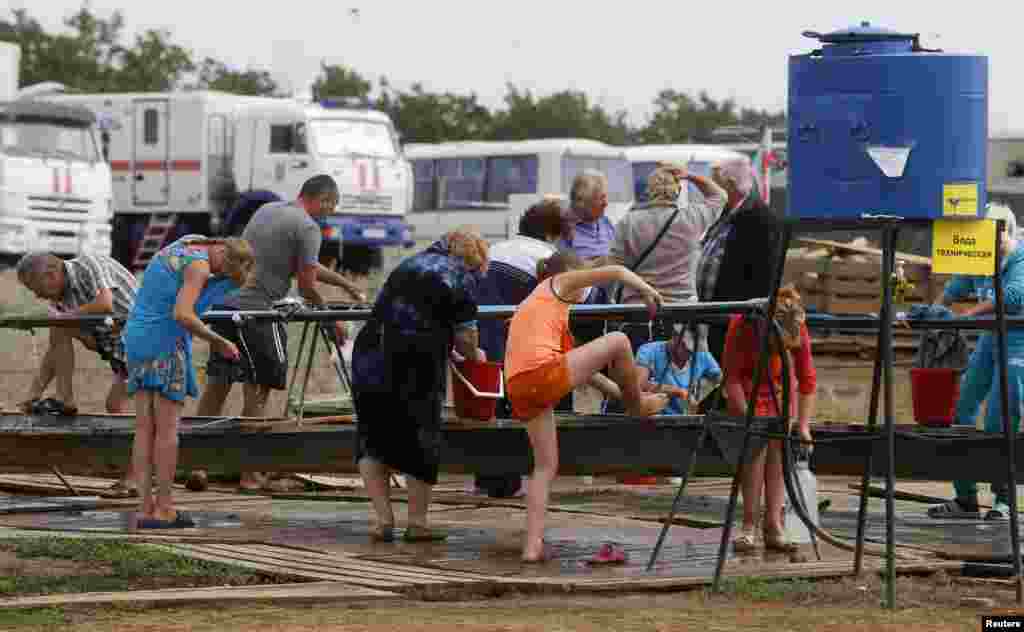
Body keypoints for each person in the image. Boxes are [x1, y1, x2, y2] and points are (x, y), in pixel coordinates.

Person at [196, 175, 366, 492]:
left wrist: (345, 284)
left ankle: (195, 465)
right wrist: (331, 319)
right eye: (331, 206)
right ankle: (249, 474)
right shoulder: (309, 228)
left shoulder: (267, 210)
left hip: (226, 306)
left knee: (217, 388)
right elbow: (306, 285)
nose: (329, 214)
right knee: (257, 392)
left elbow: (306, 266)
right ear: (324, 199)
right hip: (259, 311)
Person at [504, 251, 669, 562]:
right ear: (570, 274)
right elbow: (617, 271)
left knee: (544, 467)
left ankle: (532, 547)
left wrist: (621, 393)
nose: (587, 294)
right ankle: (638, 407)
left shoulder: (546, 311)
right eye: (585, 286)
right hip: (539, 375)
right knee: (620, 339)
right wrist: (648, 291)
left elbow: (588, 373)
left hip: (520, 387)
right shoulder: (557, 283)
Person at [351, 228, 489, 543]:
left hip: (371, 351)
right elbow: (467, 340)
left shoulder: (410, 263)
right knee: (420, 434)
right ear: (474, 260)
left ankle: (383, 520)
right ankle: (417, 524)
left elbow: (403, 311)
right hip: (415, 358)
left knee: (373, 435)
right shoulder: (462, 277)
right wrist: (475, 354)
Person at [122, 236, 254, 528]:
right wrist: (217, 341)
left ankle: (144, 509)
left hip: (137, 340)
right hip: (166, 344)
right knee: (167, 432)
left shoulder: (186, 244)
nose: (219, 276)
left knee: (144, 429)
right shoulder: (199, 267)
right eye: (224, 271)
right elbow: (182, 314)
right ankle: (165, 508)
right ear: (222, 253)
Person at [16, 251, 140, 498]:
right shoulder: (61, 299)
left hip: (145, 341)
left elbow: (105, 304)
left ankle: (137, 477)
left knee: (131, 410)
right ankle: (64, 397)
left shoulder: (88, 264)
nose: (37, 295)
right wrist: (33, 393)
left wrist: (63, 318)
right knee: (116, 406)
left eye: (36, 287)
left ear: (51, 274)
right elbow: (56, 350)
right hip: (117, 348)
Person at [928, 203, 1024, 521]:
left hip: (1017, 340)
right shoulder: (979, 255)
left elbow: (1010, 298)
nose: (988, 243)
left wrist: (968, 314)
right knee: (960, 409)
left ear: (1007, 233)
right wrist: (934, 312)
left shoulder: (1020, 260)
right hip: (989, 338)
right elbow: (954, 288)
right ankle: (965, 498)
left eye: (994, 235)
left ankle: (1004, 499)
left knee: (1001, 418)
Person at [473, 197, 573, 498]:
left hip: (481, 343)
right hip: (521, 349)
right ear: (553, 233)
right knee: (528, 410)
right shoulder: (548, 256)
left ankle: (491, 480)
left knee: (489, 409)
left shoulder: (495, 249)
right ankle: (535, 475)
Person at [723, 284, 816, 553]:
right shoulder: (742, 324)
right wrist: (748, 417)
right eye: (776, 347)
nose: (779, 351)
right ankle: (749, 525)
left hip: (779, 389)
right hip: (746, 389)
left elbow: (807, 380)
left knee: (779, 452)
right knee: (754, 453)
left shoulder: (796, 323)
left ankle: (774, 525)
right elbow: (730, 378)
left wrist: (803, 424)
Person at [697, 157, 781, 366]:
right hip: (716, 318)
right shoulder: (727, 212)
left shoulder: (761, 219)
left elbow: (765, 277)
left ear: (730, 185)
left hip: (735, 321)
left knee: (731, 381)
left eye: (717, 184)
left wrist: (746, 318)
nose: (713, 190)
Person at [635, 326, 722, 416]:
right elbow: (639, 385)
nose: (692, 354)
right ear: (675, 337)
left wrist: (697, 394)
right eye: (687, 349)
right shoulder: (648, 351)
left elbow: (719, 378)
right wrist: (678, 391)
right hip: (652, 419)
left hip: (685, 421)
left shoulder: (702, 355)